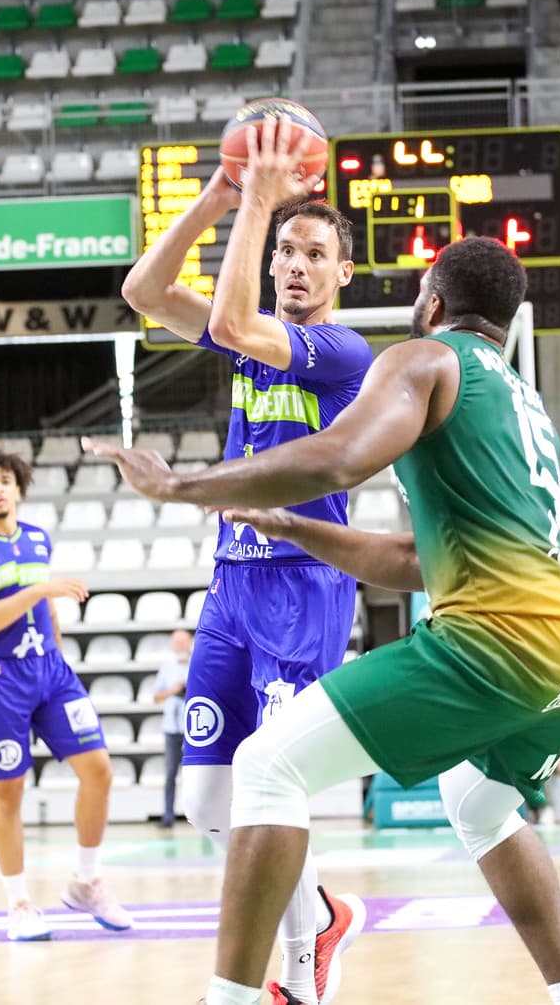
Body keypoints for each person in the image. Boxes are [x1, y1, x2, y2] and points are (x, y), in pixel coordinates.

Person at [88, 234, 560, 1005]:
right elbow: (417, 558)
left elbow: (338, 457)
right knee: (479, 803)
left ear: (433, 302)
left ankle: (230, 999)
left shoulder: (423, 358)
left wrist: (185, 486)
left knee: (266, 766)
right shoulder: (517, 397)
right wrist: (304, 528)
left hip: (505, 634)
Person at [119, 117, 374, 1004]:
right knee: (206, 802)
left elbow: (228, 317)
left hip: (306, 587)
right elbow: (145, 289)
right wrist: (220, 196)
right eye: (288, 251)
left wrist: (264, 205)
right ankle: (328, 916)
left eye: (315, 253)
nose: (296, 264)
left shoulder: (342, 353)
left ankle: (304, 975)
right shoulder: (250, 330)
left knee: (274, 782)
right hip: (232, 584)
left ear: (342, 274)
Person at [0, 444, 130, 941]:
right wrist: (40, 591)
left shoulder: (37, 538)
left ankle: (87, 881)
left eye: (5, 479)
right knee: (9, 792)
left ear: (20, 487)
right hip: (0, 677)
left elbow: (46, 612)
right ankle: (19, 903)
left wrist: (59, 649)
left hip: (51, 671)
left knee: (100, 771)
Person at [152, 628, 193, 828]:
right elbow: (156, 696)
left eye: (183, 642)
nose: (180, 646)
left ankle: (197, 815)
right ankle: (168, 815)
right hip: (171, 728)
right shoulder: (167, 667)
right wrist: (173, 690)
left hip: (193, 727)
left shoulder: (197, 664)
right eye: (176, 642)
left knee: (195, 773)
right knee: (170, 773)